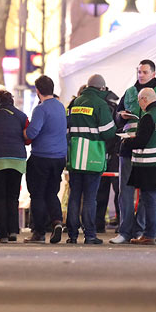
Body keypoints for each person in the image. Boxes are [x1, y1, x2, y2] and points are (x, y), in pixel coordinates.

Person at [110, 60, 156, 245]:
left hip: (147, 153)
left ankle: (144, 231)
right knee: (130, 192)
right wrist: (120, 116)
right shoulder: (130, 92)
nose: (140, 75)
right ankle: (128, 231)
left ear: (153, 74)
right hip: (133, 151)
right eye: (139, 71)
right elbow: (115, 116)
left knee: (148, 196)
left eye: (144, 72)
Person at [64, 74, 116, 245]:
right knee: (90, 198)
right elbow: (108, 132)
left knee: (74, 196)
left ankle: (72, 235)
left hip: (75, 156)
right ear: (101, 89)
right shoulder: (100, 104)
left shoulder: (75, 103)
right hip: (92, 158)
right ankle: (90, 235)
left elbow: (68, 128)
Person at [121, 88, 156, 245]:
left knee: (149, 200)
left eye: (139, 101)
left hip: (149, 164)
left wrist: (126, 142)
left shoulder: (148, 117)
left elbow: (141, 141)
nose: (139, 105)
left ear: (144, 99)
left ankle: (149, 235)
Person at [23, 75, 68, 244]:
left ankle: (39, 232)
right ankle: (56, 221)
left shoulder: (41, 109)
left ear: (38, 91)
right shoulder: (60, 106)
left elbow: (32, 132)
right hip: (59, 157)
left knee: (38, 195)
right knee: (51, 192)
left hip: (41, 157)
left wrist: (23, 133)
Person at [0, 90, 30, 243]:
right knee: (13, 197)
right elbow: (28, 138)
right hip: (17, 160)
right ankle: (13, 231)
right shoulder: (22, 116)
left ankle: (2, 235)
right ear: (12, 101)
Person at [94, 90, 120, 233]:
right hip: (114, 153)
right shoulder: (114, 107)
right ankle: (121, 223)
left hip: (102, 152)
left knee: (101, 191)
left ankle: (98, 224)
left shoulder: (101, 107)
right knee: (118, 190)